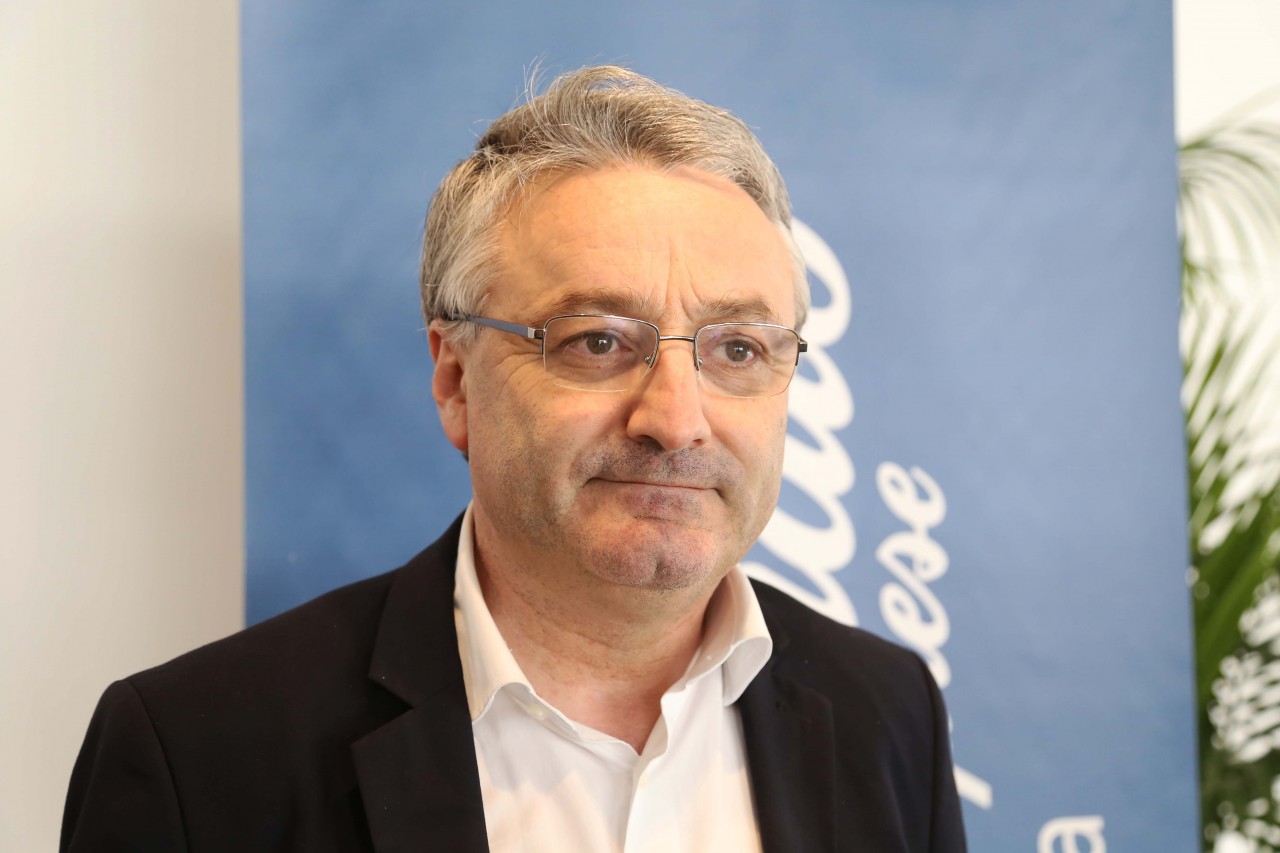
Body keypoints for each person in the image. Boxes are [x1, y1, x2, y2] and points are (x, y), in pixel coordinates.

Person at [62, 66, 967, 852]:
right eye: (598, 341)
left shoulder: (888, 713)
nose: (677, 420)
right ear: (456, 379)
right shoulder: (198, 755)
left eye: (737, 349)